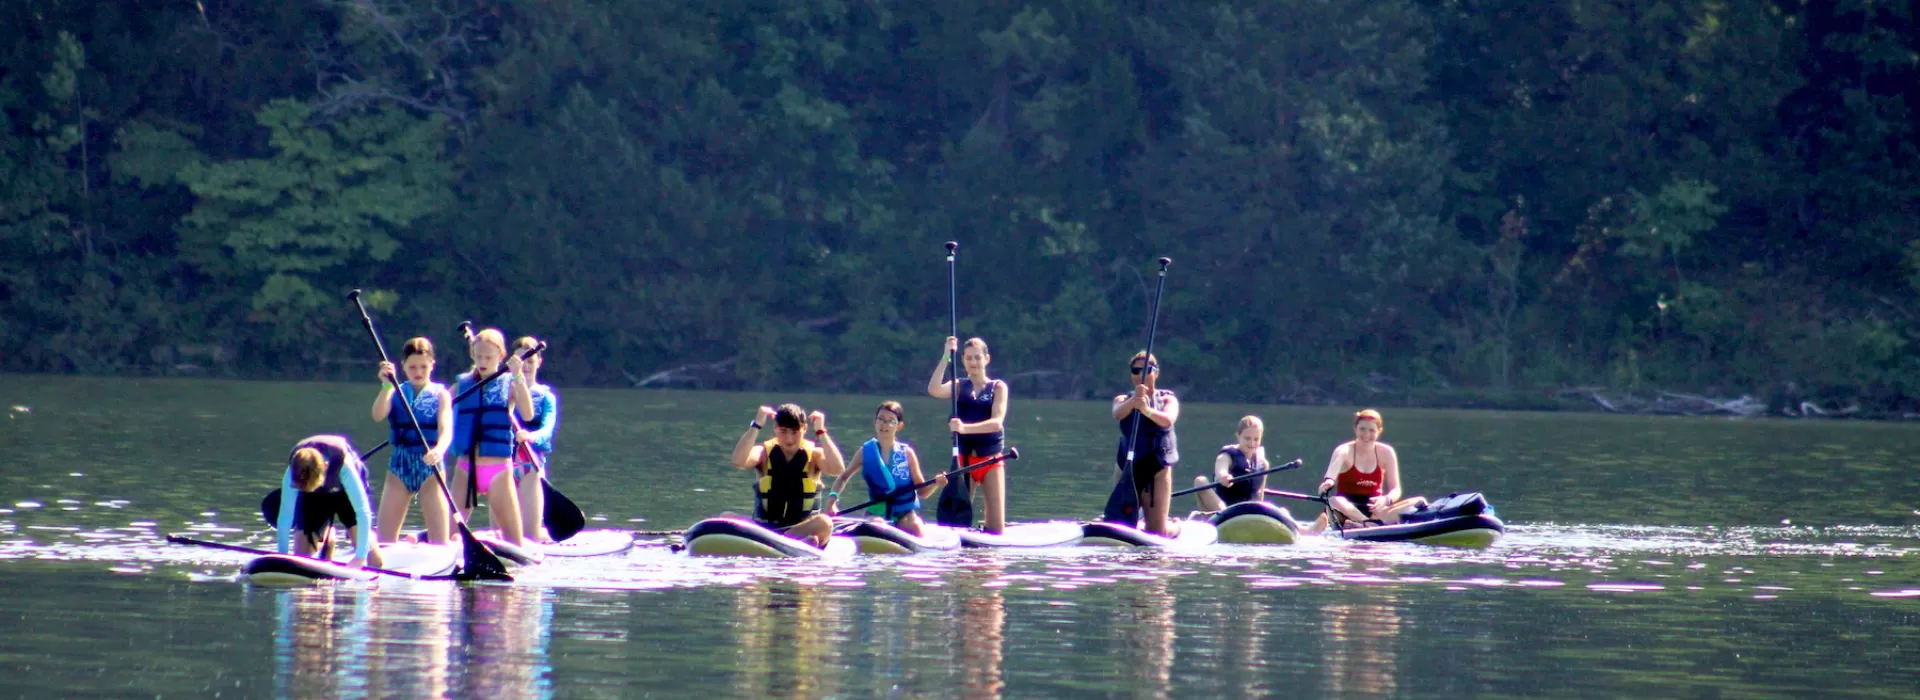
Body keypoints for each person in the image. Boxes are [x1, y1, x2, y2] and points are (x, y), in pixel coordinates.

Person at [448, 328, 535, 547]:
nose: (483, 361)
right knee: (447, 537)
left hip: (498, 471)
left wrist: (518, 377)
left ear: (501, 356)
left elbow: (527, 414)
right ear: (472, 355)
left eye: (488, 357)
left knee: (515, 541)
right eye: (478, 356)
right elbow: (438, 408)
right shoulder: (462, 385)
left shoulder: (510, 384)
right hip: (465, 469)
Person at [370, 337, 454, 545]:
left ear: (432, 365)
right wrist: (386, 386)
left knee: (439, 543)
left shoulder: (441, 394)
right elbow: (377, 415)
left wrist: (440, 449)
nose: (418, 372)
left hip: (430, 469)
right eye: (413, 367)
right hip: (400, 466)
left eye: (424, 367)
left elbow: (446, 430)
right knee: (385, 541)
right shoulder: (394, 391)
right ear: (403, 367)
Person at [728, 403, 847, 547]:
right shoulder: (763, 453)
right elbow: (738, 461)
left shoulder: (815, 455)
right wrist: (757, 425)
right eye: (783, 431)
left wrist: (821, 431)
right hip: (764, 529)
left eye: (795, 432)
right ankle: (790, 543)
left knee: (824, 523)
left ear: (804, 429)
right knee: (726, 518)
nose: (789, 439)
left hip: (800, 529)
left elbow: (838, 469)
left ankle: (786, 542)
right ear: (775, 428)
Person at [926, 336, 1010, 532]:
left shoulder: (998, 387)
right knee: (957, 526)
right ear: (963, 360)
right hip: (964, 462)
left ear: (986, 359)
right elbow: (934, 389)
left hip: (990, 461)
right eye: (969, 358)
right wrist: (946, 355)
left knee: (997, 529)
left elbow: (996, 423)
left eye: (977, 358)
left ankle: (985, 530)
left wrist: (964, 428)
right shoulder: (958, 385)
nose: (973, 362)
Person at [824, 401, 946, 537]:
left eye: (890, 421)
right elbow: (843, 477)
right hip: (877, 512)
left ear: (899, 426)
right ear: (875, 422)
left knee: (915, 527)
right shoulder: (864, 452)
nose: (884, 424)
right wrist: (832, 501)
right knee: (877, 527)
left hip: (904, 513)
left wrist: (936, 483)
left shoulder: (908, 454)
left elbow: (923, 492)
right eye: (881, 419)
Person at [275, 435, 384, 568]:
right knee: (301, 556)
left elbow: (363, 512)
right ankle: (327, 535)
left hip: (345, 494)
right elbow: (285, 517)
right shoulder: (294, 472)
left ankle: (359, 540)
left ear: (325, 468)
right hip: (314, 497)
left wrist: (360, 557)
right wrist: (282, 556)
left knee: (374, 561)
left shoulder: (344, 467)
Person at [1313, 409, 1426, 529]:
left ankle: (1367, 524)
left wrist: (1385, 500)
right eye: (1362, 429)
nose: (1366, 435)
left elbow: (1396, 489)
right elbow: (1331, 475)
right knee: (1334, 500)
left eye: (1372, 430)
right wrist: (1327, 483)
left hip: (1376, 511)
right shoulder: (1344, 450)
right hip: (1346, 509)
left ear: (1379, 431)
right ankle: (1367, 523)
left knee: (1420, 501)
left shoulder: (1386, 452)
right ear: (1355, 428)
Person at [1112, 351, 1181, 537]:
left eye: (1147, 370)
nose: (1140, 375)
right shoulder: (1122, 400)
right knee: (1121, 526)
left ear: (1156, 372)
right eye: (1136, 370)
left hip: (1156, 468)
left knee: (1158, 532)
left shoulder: (1168, 399)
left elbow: (1168, 420)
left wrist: (1146, 410)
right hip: (1127, 466)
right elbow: (1117, 413)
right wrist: (1135, 401)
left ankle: (1175, 526)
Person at [509, 336, 559, 544]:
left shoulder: (546, 397)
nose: (526, 366)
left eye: (530, 361)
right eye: (521, 361)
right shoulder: (504, 391)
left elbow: (547, 429)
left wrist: (531, 436)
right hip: (504, 467)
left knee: (529, 535)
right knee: (509, 533)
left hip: (531, 465)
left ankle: (544, 537)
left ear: (539, 362)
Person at [1193, 416, 1269, 514]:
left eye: (1256, 439)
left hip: (1250, 514)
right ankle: (1225, 514)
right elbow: (1220, 472)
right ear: (1238, 435)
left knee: (1284, 511)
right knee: (1200, 481)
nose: (1252, 443)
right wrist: (1224, 477)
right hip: (1224, 511)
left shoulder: (1263, 464)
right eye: (1247, 438)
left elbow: (1260, 495)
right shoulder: (1226, 456)